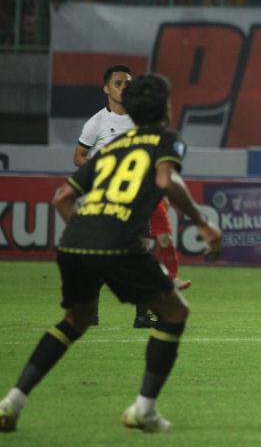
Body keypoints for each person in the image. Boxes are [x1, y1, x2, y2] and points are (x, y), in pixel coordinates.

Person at [0, 74, 223, 434]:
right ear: (166, 107)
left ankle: (11, 402)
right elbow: (167, 180)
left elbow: (62, 198)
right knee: (175, 311)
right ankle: (144, 410)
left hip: (74, 243)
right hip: (118, 242)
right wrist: (203, 222)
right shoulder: (166, 140)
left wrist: (87, 232)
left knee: (76, 321)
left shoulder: (111, 149)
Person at [75, 65, 190, 330]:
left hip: (139, 199)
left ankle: (138, 314)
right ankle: (95, 308)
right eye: (118, 82)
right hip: (109, 199)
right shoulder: (97, 123)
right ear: (106, 88)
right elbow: (79, 156)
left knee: (137, 252)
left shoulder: (140, 120)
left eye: (128, 83)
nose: (124, 87)